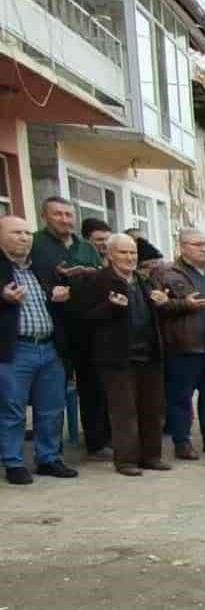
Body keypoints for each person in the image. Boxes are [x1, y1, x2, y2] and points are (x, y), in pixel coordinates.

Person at [73, 234, 169, 476]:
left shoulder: (142, 280)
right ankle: (126, 460)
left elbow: (157, 313)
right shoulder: (98, 280)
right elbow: (84, 318)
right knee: (124, 412)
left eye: (133, 253)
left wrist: (162, 302)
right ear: (110, 254)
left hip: (148, 353)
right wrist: (110, 307)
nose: (129, 258)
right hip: (118, 357)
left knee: (151, 408)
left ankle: (152, 456)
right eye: (123, 253)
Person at [0, 215, 77, 483]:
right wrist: (3, 298)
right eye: (15, 233)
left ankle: (48, 458)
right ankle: (13, 461)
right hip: (14, 349)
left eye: (26, 233)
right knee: (12, 409)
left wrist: (60, 297)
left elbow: (57, 301)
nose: (23, 237)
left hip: (49, 346)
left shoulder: (41, 267)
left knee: (52, 408)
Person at [32, 196, 109, 458]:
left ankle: (97, 442)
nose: (64, 219)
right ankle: (52, 449)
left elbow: (101, 277)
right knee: (53, 392)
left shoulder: (85, 247)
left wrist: (88, 275)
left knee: (94, 387)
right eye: (58, 214)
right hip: (53, 326)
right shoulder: (35, 244)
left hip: (86, 326)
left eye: (68, 214)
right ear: (45, 216)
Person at [153, 229, 205, 458]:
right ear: (182, 247)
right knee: (181, 397)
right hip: (185, 345)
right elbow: (158, 307)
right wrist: (185, 305)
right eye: (198, 244)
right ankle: (182, 442)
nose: (204, 248)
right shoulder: (166, 273)